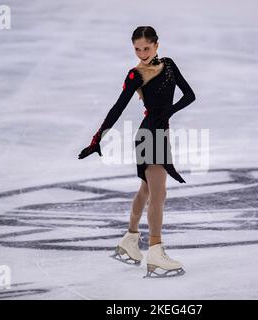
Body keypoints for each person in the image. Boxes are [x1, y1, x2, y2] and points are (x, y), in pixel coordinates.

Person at [78, 26, 196, 278]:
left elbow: (190, 95)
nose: (142, 53)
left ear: (156, 45)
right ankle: (155, 251)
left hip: (159, 133)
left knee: (147, 189)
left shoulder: (170, 65)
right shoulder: (136, 75)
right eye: (137, 49)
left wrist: (169, 112)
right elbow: (117, 108)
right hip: (149, 136)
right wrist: (98, 138)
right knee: (158, 193)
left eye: (146, 47)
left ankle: (130, 240)